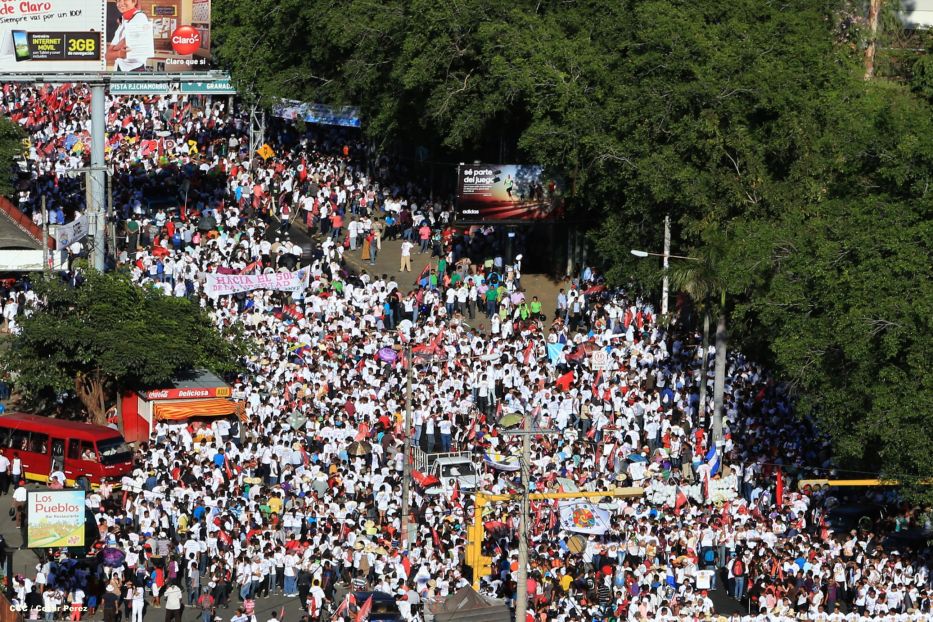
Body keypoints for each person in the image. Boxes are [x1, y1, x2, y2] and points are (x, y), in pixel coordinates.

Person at [106, 0, 155, 72]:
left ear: (134, 1)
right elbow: (108, 56)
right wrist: (119, 53)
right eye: (118, 1)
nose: (121, 3)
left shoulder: (140, 17)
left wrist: (115, 52)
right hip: (119, 68)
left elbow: (122, 46)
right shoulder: (123, 21)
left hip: (135, 70)